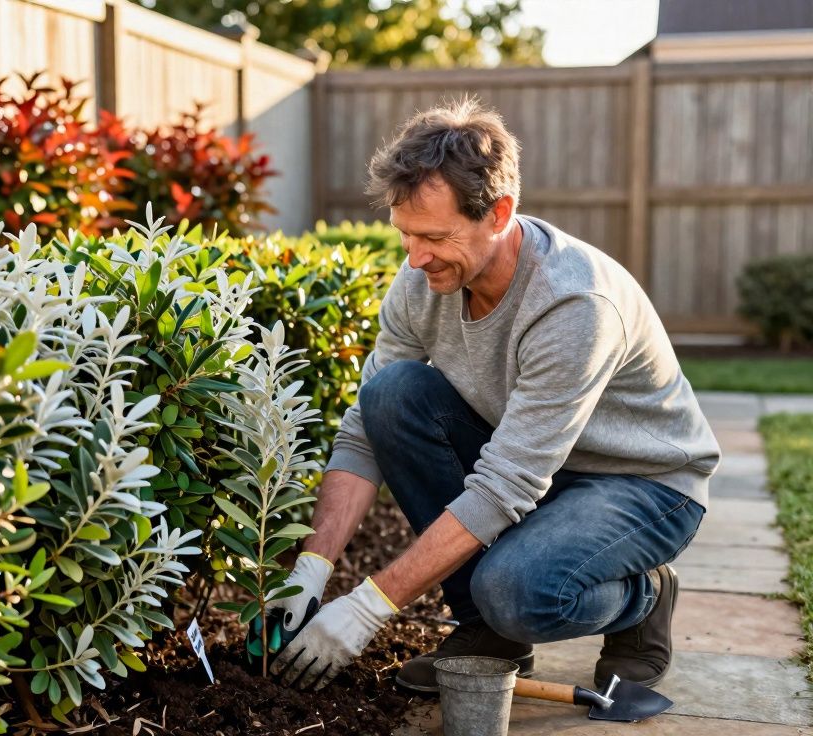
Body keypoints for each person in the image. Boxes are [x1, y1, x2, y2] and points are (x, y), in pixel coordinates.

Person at [268, 99, 719, 693]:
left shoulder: (573, 304)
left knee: (514, 590)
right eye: (405, 234)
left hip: (641, 483)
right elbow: (363, 431)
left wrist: (366, 609)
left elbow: (505, 485)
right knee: (390, 396)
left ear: (500, 212)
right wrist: (312, 567)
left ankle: (644, 594)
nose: (415, 256)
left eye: (434, 236)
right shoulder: (423, 279)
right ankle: (488, 633)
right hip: (538, 467)